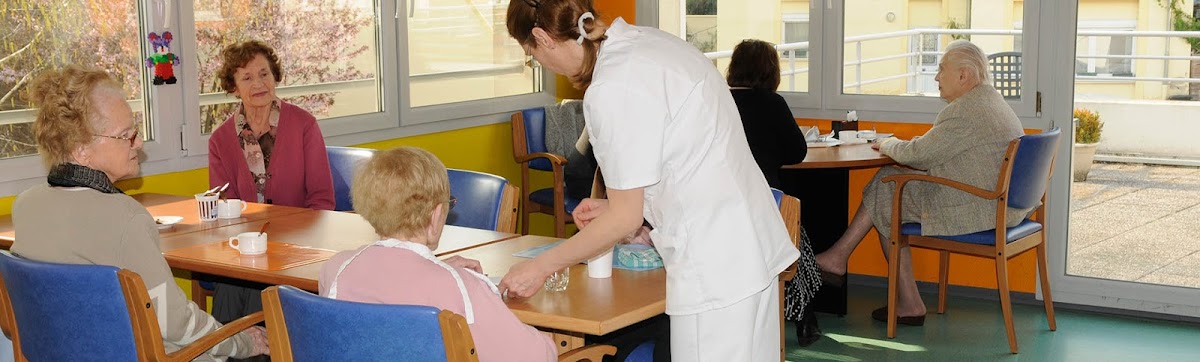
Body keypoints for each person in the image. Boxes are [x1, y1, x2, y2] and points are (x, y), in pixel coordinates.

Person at [499, 2, 801, 360]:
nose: (542, 64)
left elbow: (626, 219)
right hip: (749, 245)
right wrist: (617, 205)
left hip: (714, 264)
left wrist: (540, 266)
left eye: (532, 55)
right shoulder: (650, 44)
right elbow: (682, 158)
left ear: (542, 37)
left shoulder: (613, 87)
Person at [11, 66, 269, 360]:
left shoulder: (26, 206)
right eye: (126, 136)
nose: (139, 143)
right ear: (80, 149)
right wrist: (241, 341)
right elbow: (176, 324)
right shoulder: (125, 217)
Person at [814, 40, 1032, 326]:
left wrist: (888, 144)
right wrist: (907, 146)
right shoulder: (990, 102)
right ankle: (853, 266)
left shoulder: (966, 111)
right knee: (890, 187)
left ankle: (849, 264)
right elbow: (936, 148)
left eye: (942, 69)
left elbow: (919, 156)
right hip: (1002, 205)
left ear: (963, 75)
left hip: (980, 207)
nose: (937, 77)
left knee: (887, 185)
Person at [317, 147, 557, 362]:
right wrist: (552, 341)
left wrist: (437, 269)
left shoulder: (335, 268)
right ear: (436, 215)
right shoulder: (463, 287)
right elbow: (534, 356)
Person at [206, 40, 336, 327]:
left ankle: (260, 345)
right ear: (234, 87)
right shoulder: (220, 140)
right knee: (230, 282)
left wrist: (295, 244)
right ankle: (224, 346)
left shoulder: (304, 125)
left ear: (275, 76)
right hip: (246, 245)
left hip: (297, 244)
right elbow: (223, 205)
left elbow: (322, 199)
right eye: (247, 78)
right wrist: (250, 243)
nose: (258, 83)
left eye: (264, 74)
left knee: (260, 285)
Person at [726, 39, 824, 346]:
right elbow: (797, 152)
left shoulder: (718, 100)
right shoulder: (771, 103)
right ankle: (805, 317)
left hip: (723, 202)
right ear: (770, 71)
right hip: (763, 202)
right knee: (795, 235)